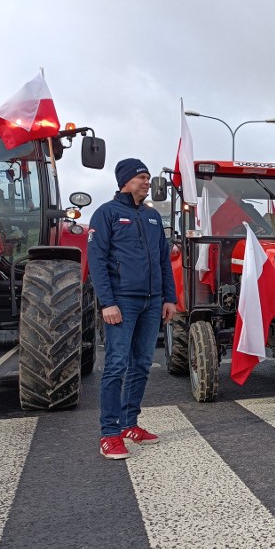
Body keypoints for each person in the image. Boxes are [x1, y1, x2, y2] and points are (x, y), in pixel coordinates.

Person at [88, 158, 177, 460]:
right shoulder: (107, 214)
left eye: (148, 177)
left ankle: (130, 425)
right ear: (125, 181)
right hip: (122, 301)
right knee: (115, 364)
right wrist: (107, 302)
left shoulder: (152, 218)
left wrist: (169, 297)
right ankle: (110, 433)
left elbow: (164, 261)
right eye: (141, 177)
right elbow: (97, 262)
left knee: (141, 364)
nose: (146, 181)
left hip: (152, 301)